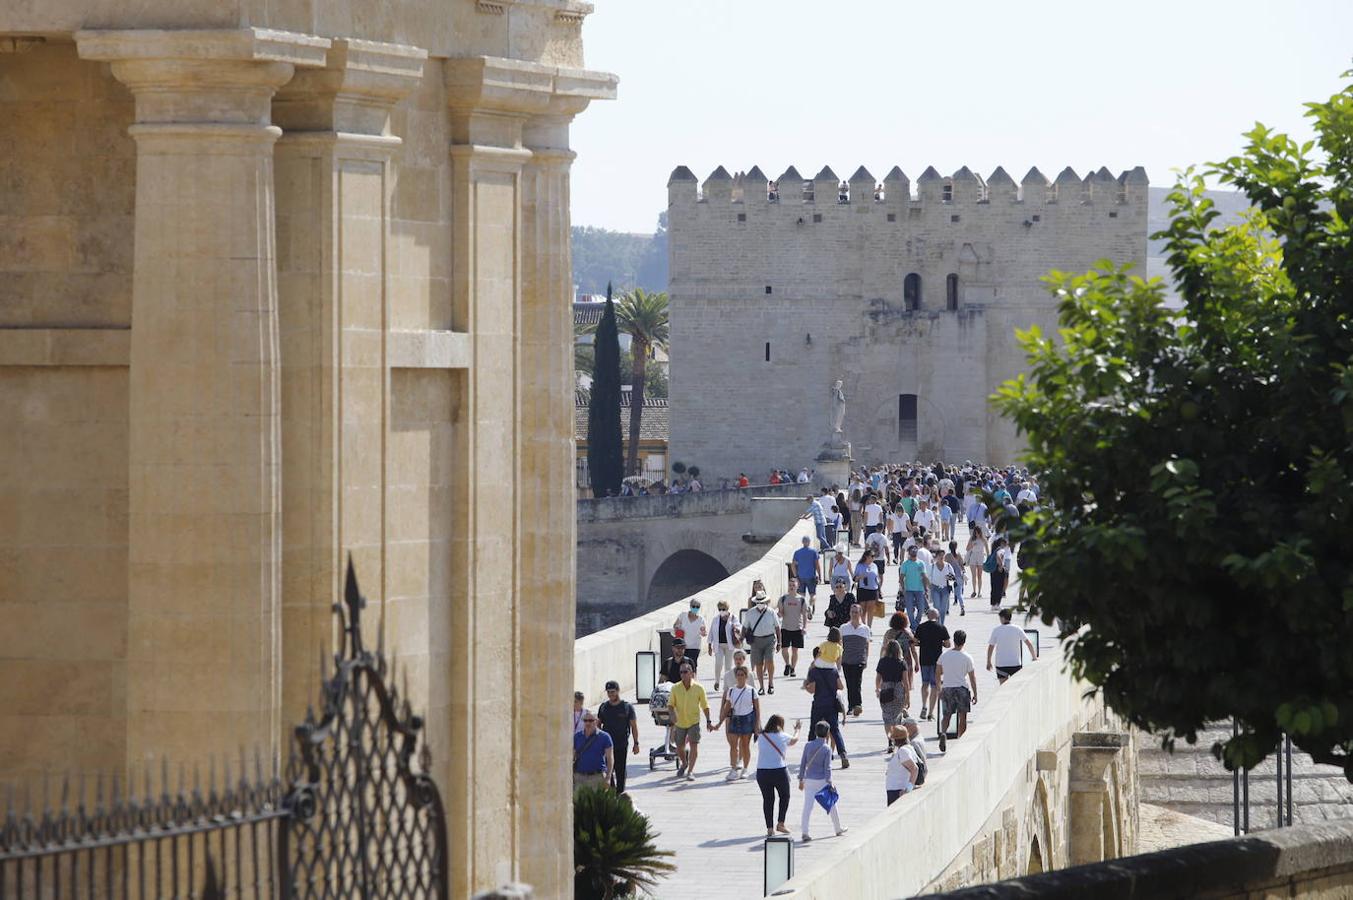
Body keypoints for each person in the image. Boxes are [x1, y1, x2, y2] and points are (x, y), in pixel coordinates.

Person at [798, 721, 847, 842]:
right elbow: (827, 768)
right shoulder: (827, 748)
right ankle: (838, 828)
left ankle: (805, 832)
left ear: (815, 732)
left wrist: (801, 778)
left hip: (809, 780)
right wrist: (830, 782)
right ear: (828, 734)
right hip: (822, 781)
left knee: (807, 807)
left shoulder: (808, 745)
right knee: (832, 805)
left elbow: (803, 763)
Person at [755, 715, 801, 836]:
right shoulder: (783, 736)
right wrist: (797, 729)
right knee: (785, 796)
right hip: (779, 771)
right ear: (780, 725)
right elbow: (795, 740)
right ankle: (781, 823)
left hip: (762, 772)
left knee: (768, 800)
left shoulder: (761, 736)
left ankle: (770, 828)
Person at [803, 647, 848, 768]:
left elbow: (812, 690)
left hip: (818, 704)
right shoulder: (833, 671)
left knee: (813, 730)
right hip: (831, 705)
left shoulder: (814, 671)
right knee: (835, 730)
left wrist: (806, 686)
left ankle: (810, 756)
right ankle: (843, 754)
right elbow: (841, 687)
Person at [713, 664, 761, 780]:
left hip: (747, 719)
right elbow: (727, 707)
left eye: (742, 675)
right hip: (735, 719)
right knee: (733, 746)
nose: (740, 677)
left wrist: (757, 725)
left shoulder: (752, 691)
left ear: (746, 677)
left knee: (745, 745)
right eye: (738, 675)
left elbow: (757, 709)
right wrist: (720, 722)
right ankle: (733, 769)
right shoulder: (731, 690)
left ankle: (745, 768)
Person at [669, 662, 712, 781]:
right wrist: (672, 714)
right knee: (679, 747)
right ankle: (684, 763)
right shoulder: (675, 688)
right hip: (680, 722)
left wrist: (708, 720)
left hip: (694, 721)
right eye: (681, 672)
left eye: (685, 672)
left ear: (691, 673)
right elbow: (670, 705)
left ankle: (690, 771)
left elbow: (705, 706)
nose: (682, 674)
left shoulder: (699, 688)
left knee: (694, 745)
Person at [936, 630, 978, 752]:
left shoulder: (944, 656)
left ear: (954, 640)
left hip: (947, 688)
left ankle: (944, 732)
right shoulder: (967, 657)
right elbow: (972, 677)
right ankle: (961, 741)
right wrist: (975, 693)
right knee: (962, 717)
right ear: (964, 642)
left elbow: (937, 672)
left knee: (947, 715)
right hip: (962, 689)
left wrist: (939, 688)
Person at [597, 681, 640, 794]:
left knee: (620, 770)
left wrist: (636, 743)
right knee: (607, 770)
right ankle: (611, 792)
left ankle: (620, 793)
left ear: (618, 691)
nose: (611, 694)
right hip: (606, 746)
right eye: (609, 692)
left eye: (613, 692)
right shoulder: (604, 707)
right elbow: (598, 725)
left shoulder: (627, 707)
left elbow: (633, 726)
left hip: (621, 744)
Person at [913, 608, 951, 721]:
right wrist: (942, 643)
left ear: (927, 616)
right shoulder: (941, 627)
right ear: (938, 616)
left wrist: (921, 643)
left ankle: (924, 705)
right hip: (937, 661)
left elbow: (915, 641)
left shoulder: (921, 627)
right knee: (934, 685)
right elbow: (948, 644)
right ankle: (930, 712)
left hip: (924, 659)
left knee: (925, 683)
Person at [741, 591, 781, 695]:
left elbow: (777, 628)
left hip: (769, 639)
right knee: (758, 664)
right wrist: (741, 639)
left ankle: (771, 683)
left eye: (762, 602)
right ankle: (761, 686)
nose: (760, 604)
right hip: (756, 640)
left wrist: (779, 642)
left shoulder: (771, 612)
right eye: (758, 602)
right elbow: (745, 627)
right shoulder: (750, 613)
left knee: (769, 660)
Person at [987, 608, 1038, 682]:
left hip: (1001, 664)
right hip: (1015, 664)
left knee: (1003, 687)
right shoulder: (1017, 629)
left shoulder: (996, 630)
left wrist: (988, 661)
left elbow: (991, 647)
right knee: (1016, 686)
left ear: (1003, 618)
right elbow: (1029, 644)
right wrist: (1034, 657)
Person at [875, 639, 908, 749]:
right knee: (897, 717)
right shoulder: (902, 662)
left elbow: (878, 678)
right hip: (898, 690)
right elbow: (906, 681)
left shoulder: (882, 661)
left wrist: (877, 689)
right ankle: (898, 738)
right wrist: (908, 697)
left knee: (887, 717)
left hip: (886, 689)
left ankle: (890, 740)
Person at [840, 604, 871, 717]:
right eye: (852, 612)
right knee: (849, 684)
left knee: (857, 683)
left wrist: (866, 659)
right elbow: (840, 645)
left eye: (856, 612)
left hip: (859, 660)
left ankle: (857, 705)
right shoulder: (844, 628)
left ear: (860, 613)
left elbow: (867, 646)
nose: (854, 614)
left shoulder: (865, 629)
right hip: (846, 660)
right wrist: (839, 660)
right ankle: (850, 706)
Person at [882, 612, 917, 710]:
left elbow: (884, 647)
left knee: (892, 684)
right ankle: (904, 705)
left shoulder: (889, 633)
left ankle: (894, 704)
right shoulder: (908, 634)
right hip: (906, 662)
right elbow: (913, 650)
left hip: (891, 662)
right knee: (905, 684)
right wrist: (917, 663)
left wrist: (882, 661)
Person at [573, 711, 614, 790]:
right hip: (580, 777)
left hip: (597, 777)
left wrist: (608, 777)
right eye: (585, 720)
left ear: (596, 721)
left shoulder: (605, 737)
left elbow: (610, 758)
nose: (588, 723)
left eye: (591, 720)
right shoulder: (577, 737)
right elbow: (572, 756)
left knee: (598, 802)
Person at [708, 600, 741, 691]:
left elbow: (739, 628)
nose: (722, 611)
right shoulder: (716, 619)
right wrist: (709, 645)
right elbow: (711, 632)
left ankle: (727, 684)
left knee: (728, 666)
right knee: (718, 663)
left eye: (723, 609)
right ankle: (717, 681)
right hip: (719, 645)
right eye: (720, 609)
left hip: (729, 645)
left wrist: (736, 629)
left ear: (727, 608)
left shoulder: (733, 618)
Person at [778, 578, 808, 677]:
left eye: (793, 585)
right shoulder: (783, 599)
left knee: (795, 650)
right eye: (790, 585)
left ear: (797, 586)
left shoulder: (802, 599)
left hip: (797, 628)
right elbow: (780, 613)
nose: (791, 587)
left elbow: (804, 615)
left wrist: (804, 627)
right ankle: (787, 664)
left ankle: (793, 668)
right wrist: (780, 613)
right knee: (784, 649)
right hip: (785, 627)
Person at [884, 725, 920, 805]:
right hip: (895, 789)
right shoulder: (907, 748)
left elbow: (914, 769)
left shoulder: (903, 751)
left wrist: (908, 789)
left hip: (897, 791)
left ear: (895, 739)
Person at [792, 534, 823, 612]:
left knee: (801, 595)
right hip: (811, 576)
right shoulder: (813, 552)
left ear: (802, 542)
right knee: (813, 594)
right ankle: (810, 606)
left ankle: (804, 608)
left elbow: (793, 565)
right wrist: (820, 575)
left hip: (801, 576)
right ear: (809, 542)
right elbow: (817, 565)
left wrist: (796, 576)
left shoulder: (797, 552)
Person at [899, 544, 928, 628]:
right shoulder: (905, 564)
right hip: (909, 590)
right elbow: (901, 578)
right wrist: (903, 588)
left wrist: (926, 588)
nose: (913, 552)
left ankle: (916, 623)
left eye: (915, 550)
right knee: (909, 609)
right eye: (912, 551)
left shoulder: (921, 563)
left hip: (920, 589)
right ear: (909, 553)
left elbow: (924, 576)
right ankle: (913, 625)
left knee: (921, 609)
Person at [674, 600, 707, 669]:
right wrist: (677, 627)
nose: (695, 608)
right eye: (693, 606)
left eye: (697, 607)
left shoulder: (701, 619)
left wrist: (703, 632)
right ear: (690, 606)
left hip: (695, 646)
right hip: (683, 646)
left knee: (692, 665)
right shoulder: (683, 615)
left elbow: (704, 632)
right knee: (682, 665)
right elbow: (675, 625)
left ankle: (693, 679)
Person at [852, 549, 881, 628]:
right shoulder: (860, 565)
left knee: (871, 609)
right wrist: (860, 576)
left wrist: (879, 588)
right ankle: (864, 625)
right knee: (863, 609)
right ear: (866, 557)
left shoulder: (874, 566)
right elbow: (854, 578)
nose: (873, 558)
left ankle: (869, 627)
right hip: (863, 589)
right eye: (872, 556)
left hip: (873, 589)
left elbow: (877, 577)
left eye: (874, 556)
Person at [927, 546, 953, 625]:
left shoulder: (948, 566)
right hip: (935, 588)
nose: (941, 557)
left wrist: (948, 577)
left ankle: (941, 625)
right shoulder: (932, 566)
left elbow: (953, 577)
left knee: (943, 609)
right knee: (937, 607)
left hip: (945, 589)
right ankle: (938, 624)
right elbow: (927, 577)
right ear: (936, 557)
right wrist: (929, 586)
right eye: (940, 556)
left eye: (943, 556)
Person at [966, 527, 989, 599]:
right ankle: (974, 591)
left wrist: (988, 559)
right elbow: (967, 549)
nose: (976, 534)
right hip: (973, 556)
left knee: (979, 575)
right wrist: (972, 545)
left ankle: (979, 592)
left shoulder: (983, 539)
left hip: (980, 556)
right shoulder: (972, 539)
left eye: (978, 532)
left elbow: (987, 550)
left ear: (980, 532)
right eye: (975, 533)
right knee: (973, 575)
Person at [988, 536, 1011, 610]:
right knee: (1000, 587)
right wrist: (1001, 565)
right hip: (999, 570)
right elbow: (998, 556)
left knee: (994, 586)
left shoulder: (994, 549)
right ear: (1002, 543)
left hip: (993, 570)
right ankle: (997, 603)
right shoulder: (1001, 550)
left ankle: (993, 604)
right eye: (1005, 544)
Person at [947, 542, 967, 617]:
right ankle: (962, 606)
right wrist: (964, 573)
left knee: (947, 593)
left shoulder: (947, 556)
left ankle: (947, 610)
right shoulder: (958, 555)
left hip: (950, 577)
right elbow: (962, 566)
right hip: (959, 576)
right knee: (959, 594)